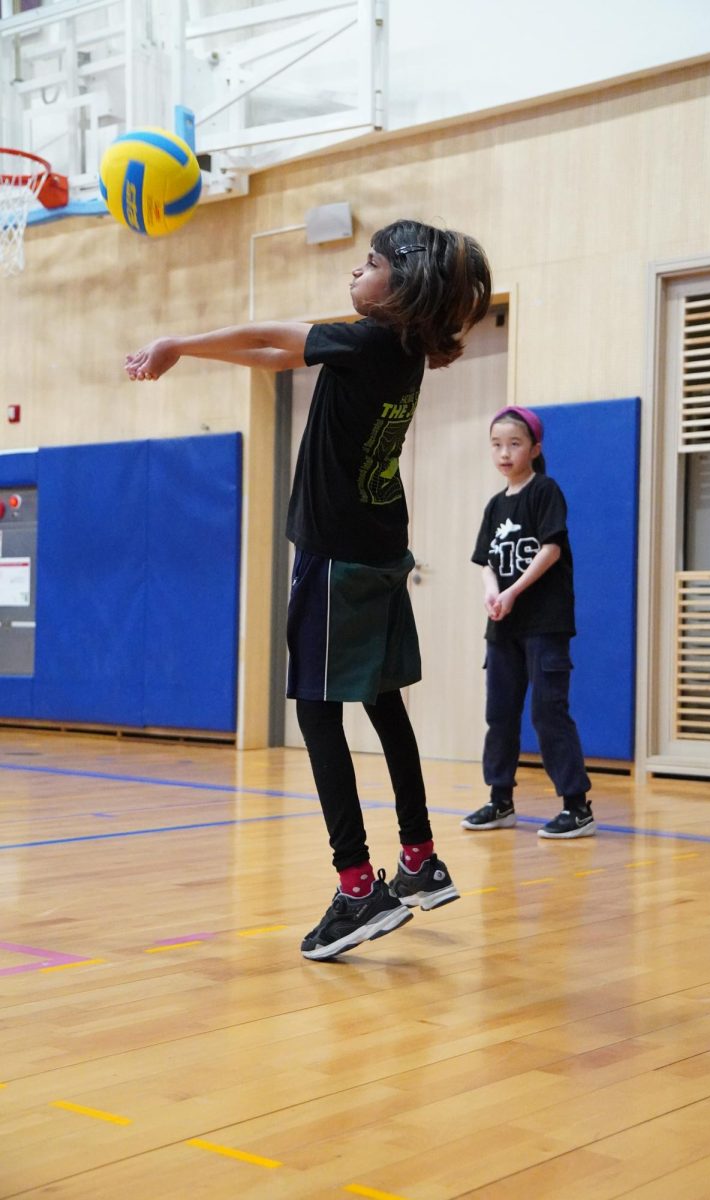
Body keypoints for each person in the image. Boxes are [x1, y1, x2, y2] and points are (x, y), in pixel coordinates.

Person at [126, 219, 492, 960]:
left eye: (368, 263)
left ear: (404, 282)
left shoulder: (363, 340)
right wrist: (196, 353)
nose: (353, 274)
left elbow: (269, 332)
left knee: (318, 713)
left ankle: (358, 888)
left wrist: (179, 342)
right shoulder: (402, 350)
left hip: (337, 559)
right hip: (383, 551)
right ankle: (419, 862)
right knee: (382, 703)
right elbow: (272, 353)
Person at [462, 406, 594, 838]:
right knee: (500, 713)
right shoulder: (494, 504)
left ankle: (577, 807)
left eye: (514, 444)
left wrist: (514, 591)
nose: (504, 452)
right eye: (497, 444)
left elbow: (551, 549)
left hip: (544, 622)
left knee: (547, 712)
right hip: (503, 627)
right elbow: (485, 562)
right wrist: (491, 592)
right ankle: (500, 801)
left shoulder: (546, 491)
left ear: (535, 449)